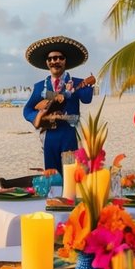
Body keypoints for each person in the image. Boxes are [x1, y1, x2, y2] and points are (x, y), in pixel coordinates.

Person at [22, 36, 95, 173]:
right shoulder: (40, 87)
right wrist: (39, 117)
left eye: (59, 58)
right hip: (50, 137)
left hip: (69, 136)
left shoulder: (77, 82)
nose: (55, 61)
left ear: (65, 60)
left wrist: (89, 85)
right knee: (52, 176)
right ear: (47, 63)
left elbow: (87, 99)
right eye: (50, 59)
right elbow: (27, 110)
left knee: (71, 175)